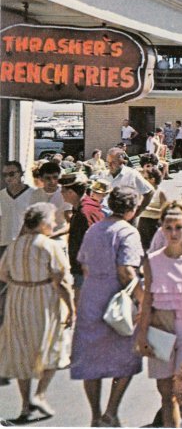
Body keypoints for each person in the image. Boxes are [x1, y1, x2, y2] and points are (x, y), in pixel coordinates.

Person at [71, 186, 144, 427]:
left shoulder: (94, 230)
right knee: (126, 358)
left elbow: (84, 264)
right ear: (131, 210)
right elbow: (126, 271)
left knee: (91, 362)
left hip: (92, 299)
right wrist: (143, 299)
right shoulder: (128, 232)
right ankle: (110, 411)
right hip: (117, 303)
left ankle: (95, 415)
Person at [137, 201, 182, 428]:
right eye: (168, 228)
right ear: (161, 228)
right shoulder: (152, 261)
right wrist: (142, 336)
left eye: (178, 227)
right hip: (161, 330)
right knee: (166, 393)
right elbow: (147, 300)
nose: (173, 233)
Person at [0, 203, 74, 423]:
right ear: (42, 223)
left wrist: (17, 282)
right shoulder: (49, 246)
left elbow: (2, 274)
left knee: (22, 350)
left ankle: (25, 404)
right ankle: (40, 394)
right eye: (51, 220)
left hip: (18, 299)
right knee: (53, 346)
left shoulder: (15, 245)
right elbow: (62, 281)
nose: (54, 224)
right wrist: (70, 308)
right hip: (44, 299)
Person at [60, 175, 108, 298]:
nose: (61, 193)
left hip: (86, 270)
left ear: (71, 193)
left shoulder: (85, 212)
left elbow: (95, 241)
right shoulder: (81, 207)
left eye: (63, 190)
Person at [103, 147, 154, 220]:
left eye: (113, 162)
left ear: (121, 161)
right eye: (108, 162)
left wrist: (137, 212)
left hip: (126, 219)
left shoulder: (132, 174)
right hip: (107, 218)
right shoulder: (104, 175)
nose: (109, 165)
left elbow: (150, 192)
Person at [138, 168, 168, 252]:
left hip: (154, 224)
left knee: (155, 249)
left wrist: (148, 209)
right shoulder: (143, 191)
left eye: (145, 178)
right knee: (143, 249)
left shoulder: (160, 192)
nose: (143, 180)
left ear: (153, 179)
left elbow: (165, 211)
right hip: (142, 222)